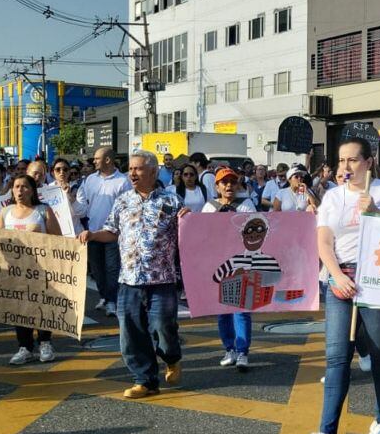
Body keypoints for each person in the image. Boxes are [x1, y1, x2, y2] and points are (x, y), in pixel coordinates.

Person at [292, 137, 380, 434]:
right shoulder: (332, 197)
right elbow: (323, 241)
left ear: (369, 162)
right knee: (336, 356)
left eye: (353, 161)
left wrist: (376, 214)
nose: (345, 167)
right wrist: (336, 275)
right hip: (340, 279)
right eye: (342, 161)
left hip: (379, 279)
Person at [79, 150, 183, 399]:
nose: (132, 173)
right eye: (130, 169)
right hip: (129, 280)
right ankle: (145, 380)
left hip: (162, 279)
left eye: (137, 169)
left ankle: (171, 358)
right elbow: (112, 231)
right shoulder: (123, 200)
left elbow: (189, 232)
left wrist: (188, 219)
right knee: (131, 332)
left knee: (162, 327)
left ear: (153, 171)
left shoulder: (171, 201)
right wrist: (93, 235)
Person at [0, 174, 62, 365]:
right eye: (16, 187)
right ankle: (24, 347)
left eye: (24, 187)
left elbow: (58, 239)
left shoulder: (43, 211)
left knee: (41, 305)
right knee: (19, 308)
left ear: (32, 190)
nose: (19, 191)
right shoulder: (5, 212)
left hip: (40, 269)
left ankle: (45, 343)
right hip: (14, 270)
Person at [196, 167, 257, 369]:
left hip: (241, 263)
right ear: (217, 186)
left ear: (238, 184)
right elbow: (202, 233)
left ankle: (242, 352)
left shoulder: (246, 205)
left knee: (241, 309)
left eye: (232, 181)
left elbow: (254, 231)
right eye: (224, 182)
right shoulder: (209, 206)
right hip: (218, 264)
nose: (229, 185)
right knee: (222, 310)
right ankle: (229, 348)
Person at [74, 147, 131, 317]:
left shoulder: (122, 181)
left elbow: (127, 208)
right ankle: (104, 297)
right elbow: (82, 208)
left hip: (113, 234)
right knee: (97, 270)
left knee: (112, 269)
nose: (94, 161)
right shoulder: (90, 180)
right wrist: (71, 201)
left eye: (97, 158)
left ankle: (112, 300)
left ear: (108, 160)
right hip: (92, 233)